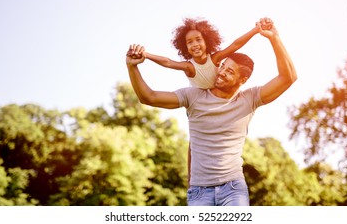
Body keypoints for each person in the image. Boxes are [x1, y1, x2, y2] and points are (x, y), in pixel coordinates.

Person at [126, 18, 297, 206]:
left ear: (243, 79)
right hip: (199, 192)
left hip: (233, 190)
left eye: (230, 71)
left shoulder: (250, 99)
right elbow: (149, 97)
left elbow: (288, 77)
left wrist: (275, 38)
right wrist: (132, 67)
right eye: (223, 66)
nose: (222, 72)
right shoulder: (193, 96)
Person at [144, 17, 272, 89]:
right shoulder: (190, 67)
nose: (194, 45)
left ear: (207, 41)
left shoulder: (215, 59)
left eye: (198, 40)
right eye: (189, 42)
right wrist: (146, 55)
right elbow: (168, 62)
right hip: (199, 104)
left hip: (219, 98)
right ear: (184, 46)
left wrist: (255, 30)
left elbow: (235, 45)